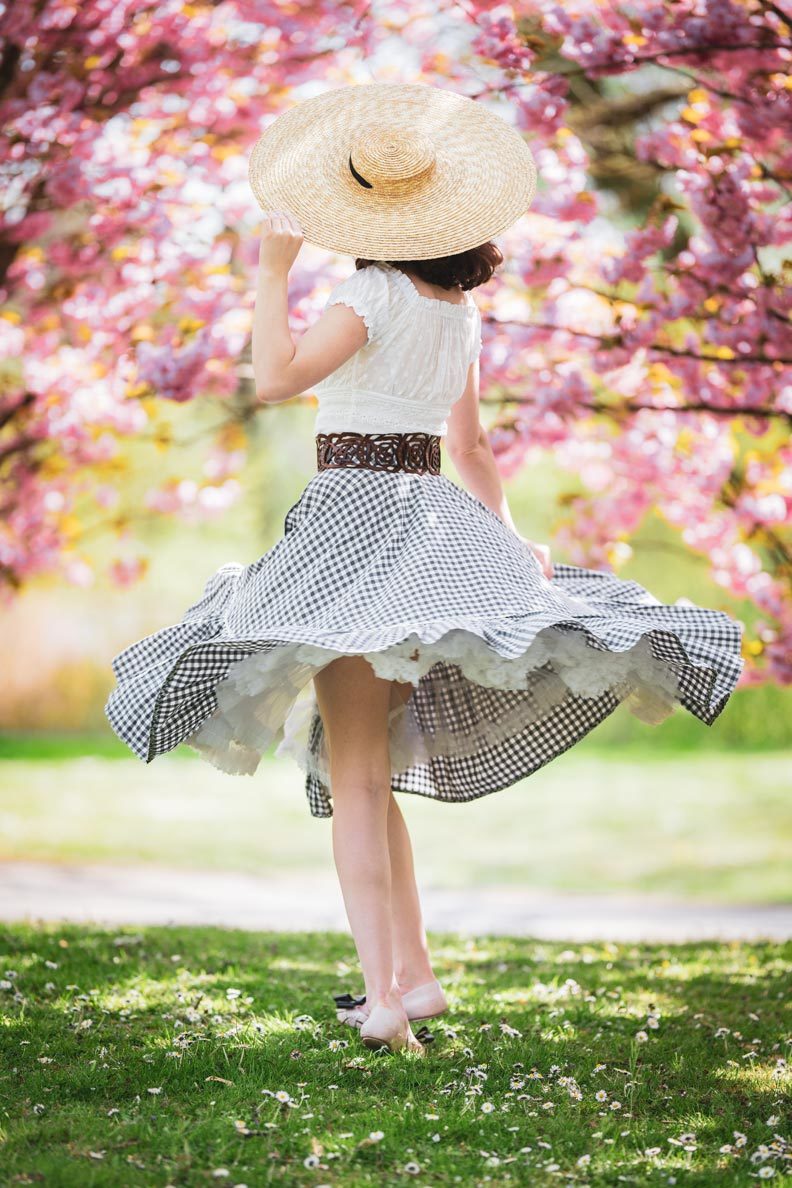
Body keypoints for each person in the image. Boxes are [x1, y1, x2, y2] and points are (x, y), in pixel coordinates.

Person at [104, 83, 745, 1056]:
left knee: (356, 779)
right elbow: (474, 448)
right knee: (365, 772)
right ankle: (416, 978)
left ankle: (385, 997)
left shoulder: (368, 295)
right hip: (430, 526)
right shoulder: (455, 312)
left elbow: (275, 380)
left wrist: (273, 272)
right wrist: (510, 535)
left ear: (362, 213)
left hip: (358, 531)